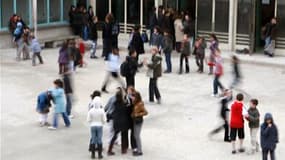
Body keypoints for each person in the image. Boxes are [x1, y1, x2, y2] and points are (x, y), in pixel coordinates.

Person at [107, 89, 131, 155]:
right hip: (123, 122)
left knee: (114, 136)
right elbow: (128, 111)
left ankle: (109, 149)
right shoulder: (125, 104)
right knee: (123, 136)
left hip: (116, 122)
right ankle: (123, 149)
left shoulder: (115, 103)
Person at [131, 92, 148, 156]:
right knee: (135, 135)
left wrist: (137, 114)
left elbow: (146, 112)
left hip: (138, 121)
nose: (132, 98)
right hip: (135, 121)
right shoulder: (135, 103)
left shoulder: (140, 104)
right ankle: (138, 149)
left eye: (133, 97)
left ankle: (140, 150)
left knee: (137, 136)